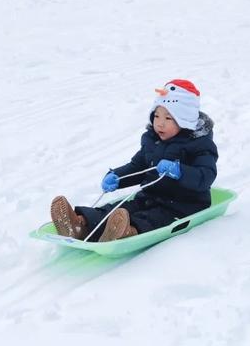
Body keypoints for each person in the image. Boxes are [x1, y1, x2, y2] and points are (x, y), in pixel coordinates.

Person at [50, 79, 218, 242]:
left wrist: (180, 171)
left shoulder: (200, 145)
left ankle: (128, 232)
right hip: (149, 197)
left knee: (152, 219)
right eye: (156, 116)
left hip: (182, 205)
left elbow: (206, 176)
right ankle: (80, 224)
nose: (159, 123)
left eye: (168, 119)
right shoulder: (152, 141)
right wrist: (117, 176)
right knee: (121, 210)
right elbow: (137, 167)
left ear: (185, 120)